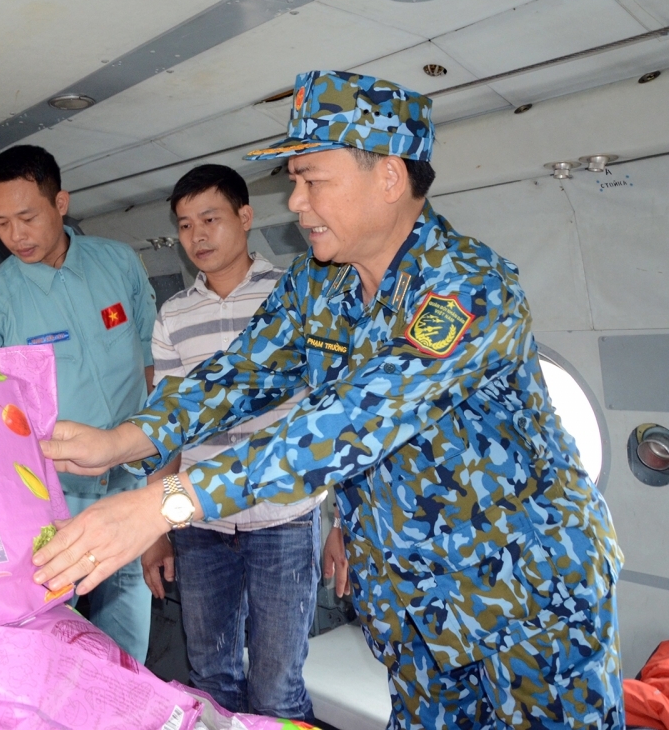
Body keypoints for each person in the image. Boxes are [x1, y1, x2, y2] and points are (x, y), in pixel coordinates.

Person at [32, 71, 624, 728]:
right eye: (294, 182)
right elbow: (238, 375)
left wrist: (163, 504)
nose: (297, 203)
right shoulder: (321, 285)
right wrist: (123, 440)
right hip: (418, 598)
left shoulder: (467, 287)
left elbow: (346, 424)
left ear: (389, 176)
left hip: (527, 591)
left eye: (314, 180)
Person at [0, 144, 158, 662]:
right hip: (52, 495)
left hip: (129, 477)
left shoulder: (119, 263)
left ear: (60, 203)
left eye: (27, 217)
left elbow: (149, 363)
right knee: (53, 624)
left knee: (126, 617)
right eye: (1, 223)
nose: (15, 236)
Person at [140, 163, 326, 720]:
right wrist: (157, 526)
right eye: (184, 224)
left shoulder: (294, 297)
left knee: (277, 688)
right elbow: (166, 431)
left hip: (284, 519)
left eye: (211, 219)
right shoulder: (173, 316)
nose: (197, 235)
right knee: (212, 679)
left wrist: (338, 526)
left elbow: (332, 415)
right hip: (200, 525)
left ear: (245, 218)